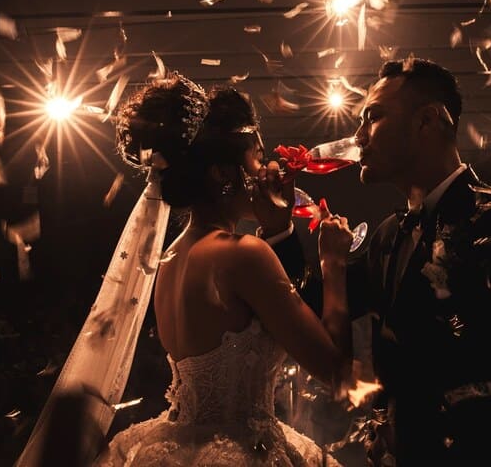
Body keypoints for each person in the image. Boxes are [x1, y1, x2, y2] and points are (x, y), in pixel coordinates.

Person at [303, 57, 491, 465]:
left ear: (428, 120)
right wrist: (277, 228)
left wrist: (427, 439)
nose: (358, 137)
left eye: (373, 117)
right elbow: (307, 311)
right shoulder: (388, 235)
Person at [86, 73, 356, 466]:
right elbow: (335, 373)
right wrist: (333, 262)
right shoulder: (242, 255)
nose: (269, 169)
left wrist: (277, 231)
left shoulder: (171, 258)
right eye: (258, 157)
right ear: (223, 174)